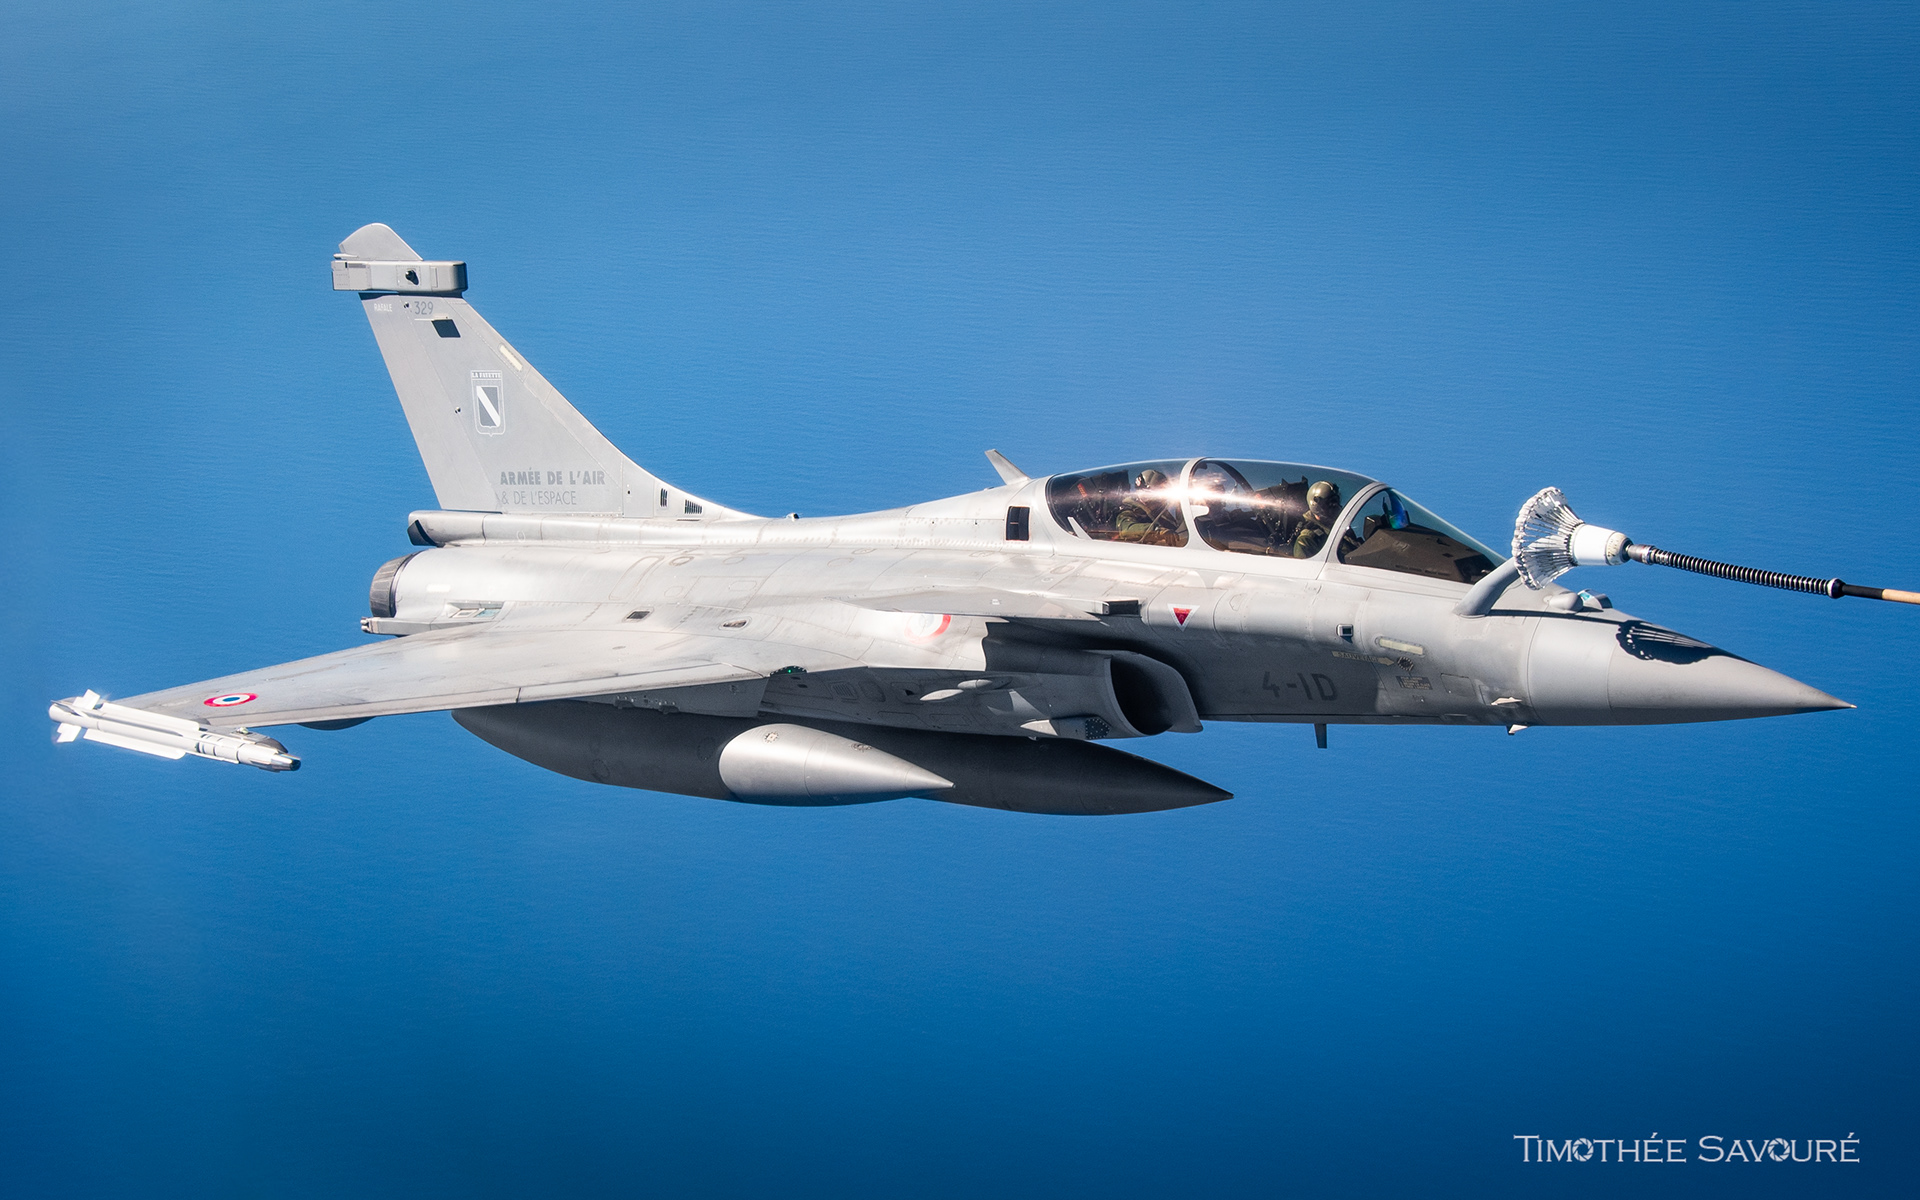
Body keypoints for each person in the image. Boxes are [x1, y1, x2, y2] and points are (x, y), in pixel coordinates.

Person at [1114, 468, 1182, 544]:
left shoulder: (1159, 511)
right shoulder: (1128, 509)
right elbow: (1126, 530)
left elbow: (1179, 529)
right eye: (1157, 490)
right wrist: (1158, 531)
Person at [1289, 480, 1344, 557]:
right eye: (1330, 503)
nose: (1335, 506)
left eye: (1336, 501)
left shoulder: (1340, 529)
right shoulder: (1307, 539)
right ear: (1316, 506)